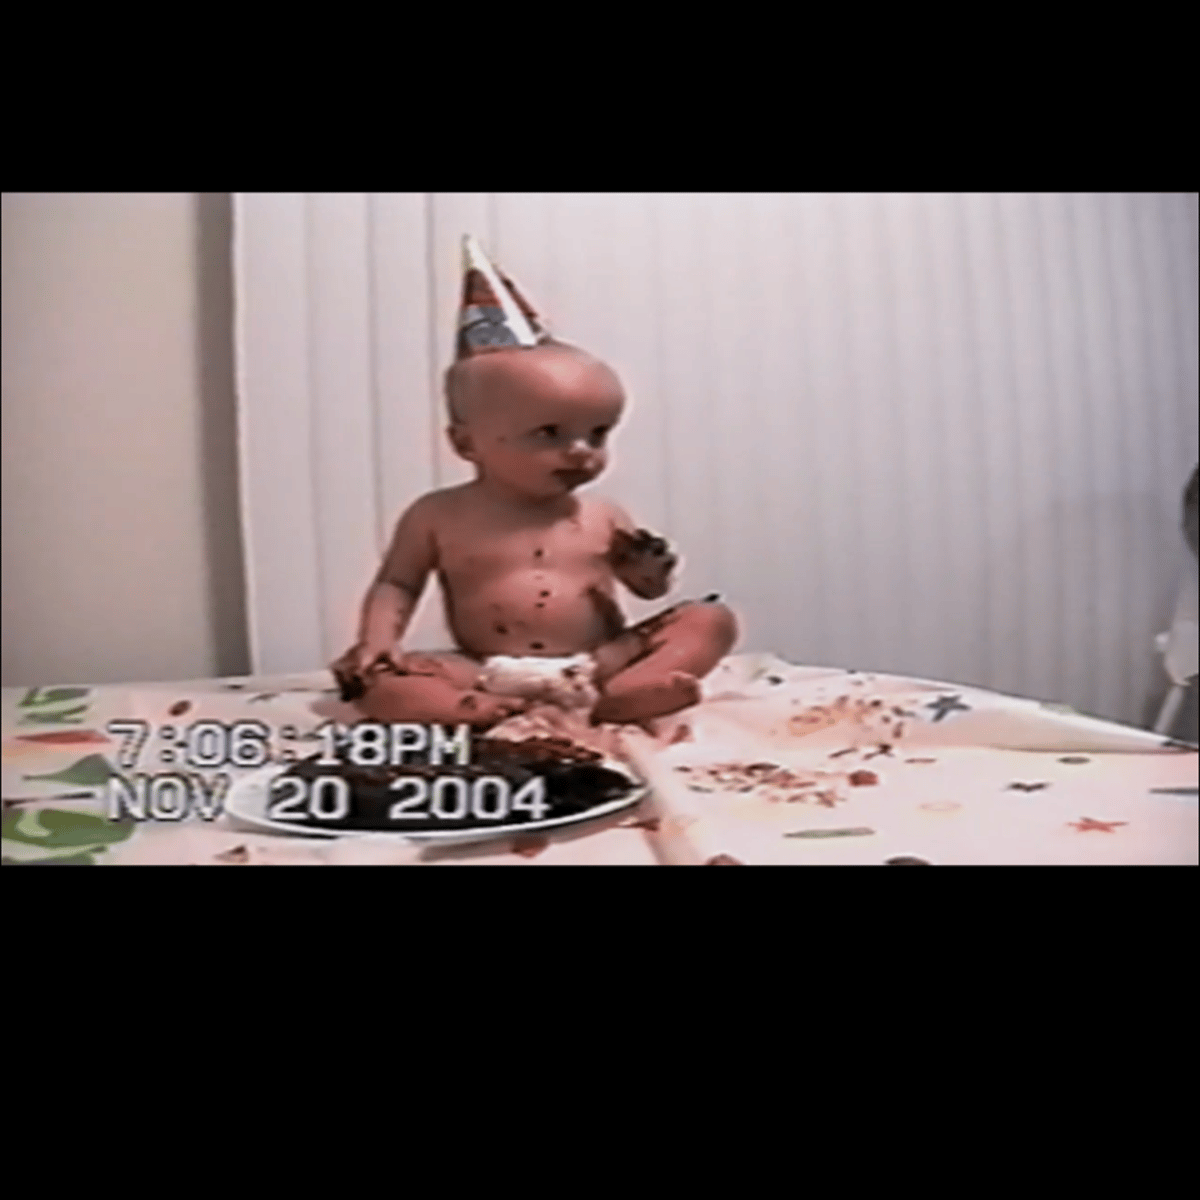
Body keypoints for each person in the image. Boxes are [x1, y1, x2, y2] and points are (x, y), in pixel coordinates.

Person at [331, 237, 737, 728]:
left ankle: (628, 692)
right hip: (484, 669)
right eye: (549, 433)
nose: (582, 451)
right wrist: (378, 641)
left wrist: (649, 573)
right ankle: (472, 710)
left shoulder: (603, 514)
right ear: (466, 443)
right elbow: (397, 584)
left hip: (600, 662)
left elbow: (646, 592)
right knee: (376, 681)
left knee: (709, 619)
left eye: (598, 434)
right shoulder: (436, 514)